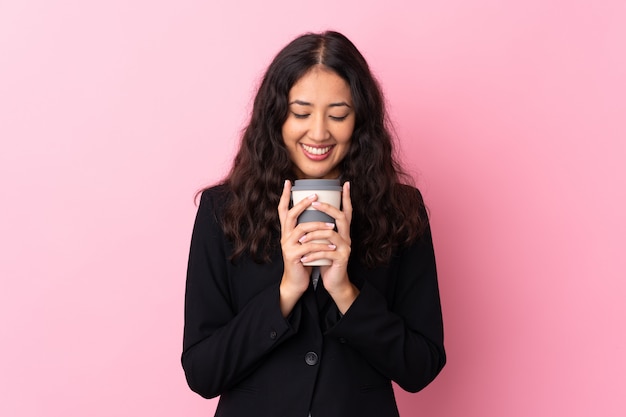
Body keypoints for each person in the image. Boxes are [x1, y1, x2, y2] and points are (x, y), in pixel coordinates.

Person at [182, 31, 446, 417]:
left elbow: (421, 366)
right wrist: (287, 290)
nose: (319, 132)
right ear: (276, 117)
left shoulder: (401, 210)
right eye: (301, 113)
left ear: (359, 120)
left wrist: (345, 293)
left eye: (338, 114)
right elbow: (202, 372)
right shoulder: (223, 210)